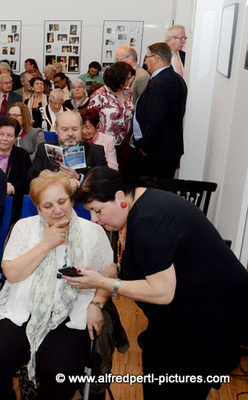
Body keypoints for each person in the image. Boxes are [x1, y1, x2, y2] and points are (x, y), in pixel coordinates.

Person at [69, 167, 248, 399]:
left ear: (120, 197)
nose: (95, 219)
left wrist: (104, 283)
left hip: (210, 318)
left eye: (97, 210)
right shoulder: (141, 202)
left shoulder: (147, 220)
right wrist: (104, 276)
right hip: (189, 311)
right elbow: (135, 263)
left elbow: (162, 292)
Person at [0, 170, 113, 400]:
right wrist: (45, 244)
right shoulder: (24, 228)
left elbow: (110, 271)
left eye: (62, 201)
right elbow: (11, 273)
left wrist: (97, 303)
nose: (57, 209)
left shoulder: (93, 232)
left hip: (70, 314)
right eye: (48, 205)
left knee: (60, 373)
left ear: (71, 200)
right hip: (24, 309)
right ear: (39, 209)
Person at [132, 42, 187, 178]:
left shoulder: (160, 82)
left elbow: (157, 118)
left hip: (157, 151)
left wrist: (145, 146)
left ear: (156, 58)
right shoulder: (176, 79)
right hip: (167, 148)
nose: (145, 61)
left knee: (151, 192)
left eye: (147, 57)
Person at [28, 111, 108, 189]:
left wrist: (78, 177)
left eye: (74, 129)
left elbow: (104, 181)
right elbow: (32, 178)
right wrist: (58, 179)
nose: (70, 134)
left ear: (81, 129)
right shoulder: (44, 149)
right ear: (56, 129)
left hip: (84, 199)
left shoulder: (96, 151)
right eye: (65, 129)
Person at [0, 117, 31, 222]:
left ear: (16, 138)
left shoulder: (22, 155)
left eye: (9, 136)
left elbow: (25, 181)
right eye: (1, 134)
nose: (4, 139)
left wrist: (13, 186)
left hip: (12, 202)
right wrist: (0, 186)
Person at [88, 62, 135, 148]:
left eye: (130, 78)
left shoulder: (128, 92)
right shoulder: (99, 95)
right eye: (127, 78)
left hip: (126, 144)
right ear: (117, 78)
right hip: (104, 145)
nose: (129, 81)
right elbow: (89, 122)